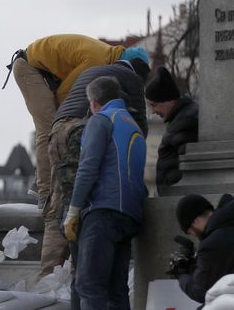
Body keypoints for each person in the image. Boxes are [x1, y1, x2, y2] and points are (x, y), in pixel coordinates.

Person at [24, 43, 148, 278]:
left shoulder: (96, 69)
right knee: (79, 203)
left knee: (57, 203)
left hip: (58, 129)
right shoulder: (131, 80)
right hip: (81, 130)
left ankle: (48, 277)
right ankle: (78, 273)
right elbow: (138, 130)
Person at [8, 36, 143, 204]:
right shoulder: (97, 61)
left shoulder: (106, 54)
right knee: (50, 129)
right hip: (29, 68)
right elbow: (67, 93)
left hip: (44, 72)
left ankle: (47, 182)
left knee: (60, 128)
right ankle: (45, 191)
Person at [62, 76, 147, 310]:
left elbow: (87, 168)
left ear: (94, 103)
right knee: (116, 290)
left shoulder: (101, 120)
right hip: (130, 216)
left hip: (103, 213)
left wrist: (73, 210)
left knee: (89, 286)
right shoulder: (133, 125)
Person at [173, 194, 234, 304]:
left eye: (190, 231)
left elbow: (200, 292)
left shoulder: (212, 243)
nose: (195, 236)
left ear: (195, 221)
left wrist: (180, 274)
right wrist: (192, 266)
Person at [145, 67, 199, 191]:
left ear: (169, 100)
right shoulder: (181, 117)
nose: (153, 111)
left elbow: (189, 164)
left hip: (178, 193)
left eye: (154, 105)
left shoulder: (185, 120)